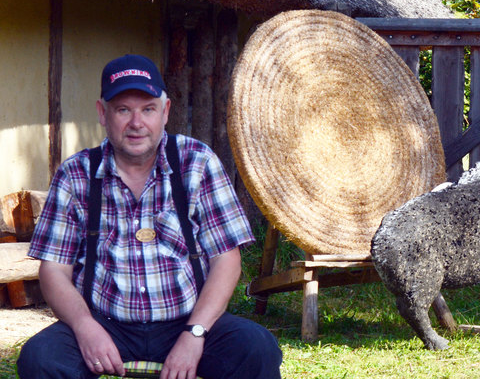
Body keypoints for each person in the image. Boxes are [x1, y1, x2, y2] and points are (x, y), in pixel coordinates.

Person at [17, 54, 282, 379]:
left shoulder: (197, 163)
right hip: (104, 321)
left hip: (187, 320)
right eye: (123, 109)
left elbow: (227, 260)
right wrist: (85, 327)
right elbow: (54, 271)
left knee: (257, 349)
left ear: (166, 111)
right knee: (40, 359)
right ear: (103, 113)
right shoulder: (76, 174)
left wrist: (195, 333)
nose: (136, 123)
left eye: (148, 109)